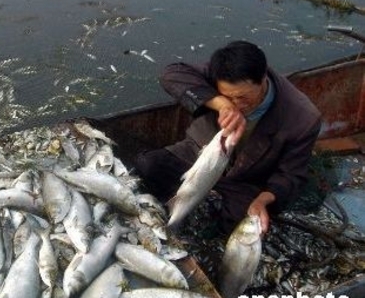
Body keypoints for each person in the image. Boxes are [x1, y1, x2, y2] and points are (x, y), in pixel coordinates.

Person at [135, 40, 322, 234]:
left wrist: (263, 200)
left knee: (240, 223)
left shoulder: (303, 118)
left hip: (246, 179)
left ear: (264, 77)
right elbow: (171, 75)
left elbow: (291, 175)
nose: (238, 104)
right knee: (148, 165)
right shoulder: (220, 73)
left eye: (243, 97)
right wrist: (222, 104)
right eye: (229, 96)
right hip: (198, 153)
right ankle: (173, 209)